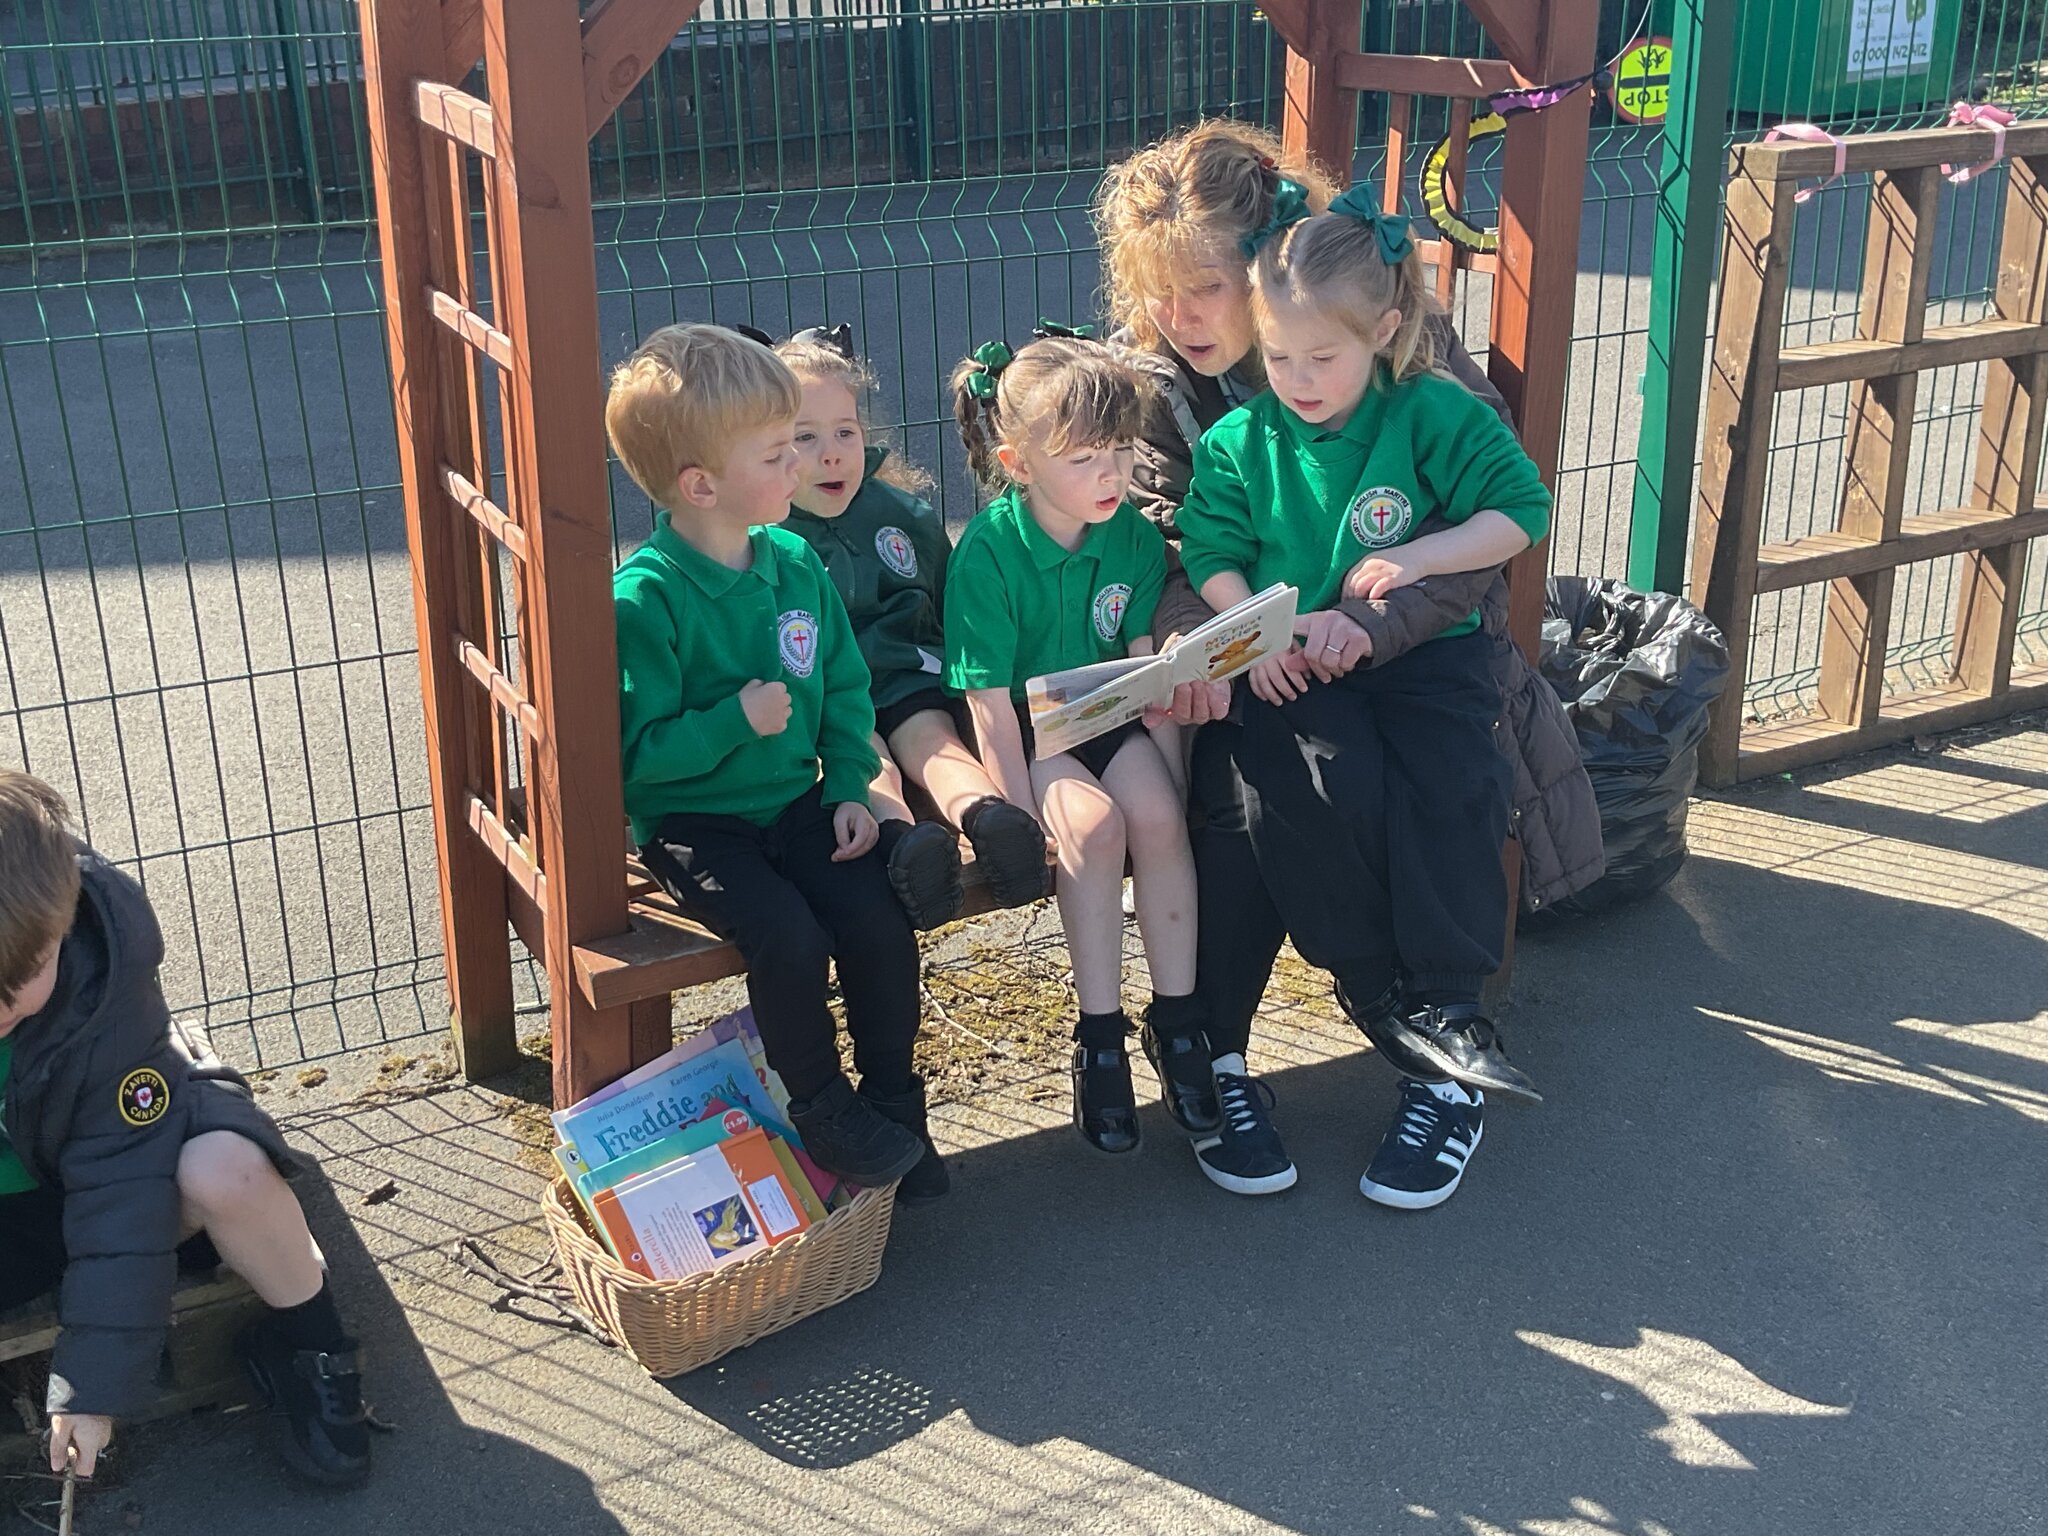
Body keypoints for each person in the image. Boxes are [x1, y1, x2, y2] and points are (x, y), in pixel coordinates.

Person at [1091, 118, 1601, 1203]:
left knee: (1436, 786)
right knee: (1241, 798)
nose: (1173, 319)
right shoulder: (1167, 393)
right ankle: (1223, 1054)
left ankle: (1442, 1046)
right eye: (1154, 292)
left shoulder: (1393, 343)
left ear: (1273, 265)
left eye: (1199, 288)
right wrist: (1210, 642)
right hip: (1260, 659)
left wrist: (1367, 626)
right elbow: (1168, 542)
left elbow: (1478, 530)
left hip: (1418, 651)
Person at [1177, 189, 1558, 1210]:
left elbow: (1517, 511)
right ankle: (1381, 995)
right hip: (1291, 662)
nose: (1297, 381)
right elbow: (1210, 554)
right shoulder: (1237, 443)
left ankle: (1449, 1028)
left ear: (1383, 332)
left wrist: (1411, 555)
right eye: (1278, 356)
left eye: (1321, 359)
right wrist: (1254, 632)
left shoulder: (1428, 410)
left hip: (1422, 655)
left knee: (1457, 785)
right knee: (1315, 792)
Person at [606, 323, 943, 1202]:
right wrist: (732, 721)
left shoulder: (793, 561)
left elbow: (842, 688)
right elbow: (635, 765)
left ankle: (896, 1104)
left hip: (797, 802)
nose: (799, 465)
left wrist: (847, 787)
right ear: (701, 484)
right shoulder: (646, 599)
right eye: (778, 452)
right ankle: (822, 1106)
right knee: (789, 936)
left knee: (874, 920)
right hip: (698, 826)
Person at [0, 770, 373, 1486]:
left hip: (111, 1155)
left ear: (63, 920)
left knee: (225, 1165)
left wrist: (92, 1387)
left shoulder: (102, 983)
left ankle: (315, 1350)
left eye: (28, 972)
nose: (3, 1005)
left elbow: (122, 1180)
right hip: (17, 1206)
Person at [941, 335, 1220, 1155]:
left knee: (1161, 824)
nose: (1111, 474)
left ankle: (1179, 1025)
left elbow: (1137, 650)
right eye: (1084, 457)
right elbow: (988, 700)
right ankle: (1099, 1037)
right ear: (1018, 462)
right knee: (1093, 831)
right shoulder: (989, 552)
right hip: (1037, 739)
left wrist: (1162, 693)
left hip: (1110, 719)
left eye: (1122, 452)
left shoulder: (1129, 534)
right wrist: (1017, 819)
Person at [773, 325, 1050, 929]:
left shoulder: (902, 515)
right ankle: (907, 840)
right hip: (821, 700)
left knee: (934, 739)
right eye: (805, 438)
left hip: (902, 677)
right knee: (867, 757)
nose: (832, 453)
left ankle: (988, 816)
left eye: (845, 432)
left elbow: (944, 605)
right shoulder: (765, 533)